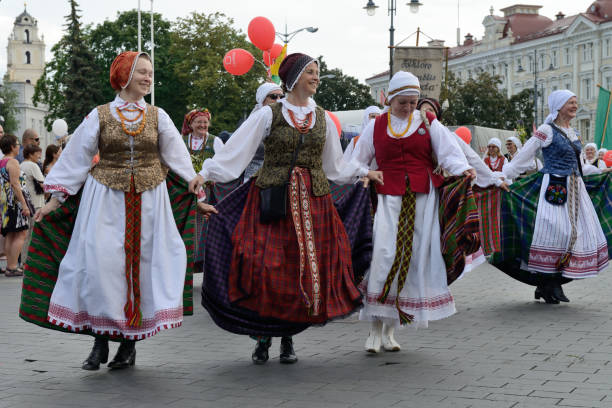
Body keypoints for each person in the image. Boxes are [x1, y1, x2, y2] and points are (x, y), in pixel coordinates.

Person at [20, 51, 209, 371]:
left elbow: (178, 158)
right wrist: (54, 201)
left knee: (140, 271)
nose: (148, 78)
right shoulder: (100, 116)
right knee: (101, 267)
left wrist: (195, 188)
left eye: (150, 73)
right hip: (105, 200)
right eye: (142, 73)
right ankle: (100, 340)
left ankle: (128, 346)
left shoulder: (158, 116)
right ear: (124, 76)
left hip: (150, 202)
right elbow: (76, 159)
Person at [190, 53, 382, 365]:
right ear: (293, 77)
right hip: (272, 201)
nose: (316, 77)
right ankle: (263, 338)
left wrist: (364, 173)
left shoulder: (321, 117)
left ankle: (288, 339)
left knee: (298, 273)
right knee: (265, 268)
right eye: (310, 72)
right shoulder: (268, 115)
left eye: (317, 72)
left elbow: (335, 165)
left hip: (314, 202)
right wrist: (206, 173)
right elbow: (237, 151)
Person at [350, 71, 475, 353]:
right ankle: (373, 328)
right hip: (387, 197)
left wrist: (463, 169)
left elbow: (450, 153)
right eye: (402, 103)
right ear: (390, 99)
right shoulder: (377, 125)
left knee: (414, 258)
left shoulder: (428, 123)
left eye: (413, 102)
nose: (408, 108)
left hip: (422, 199)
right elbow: (357, 160)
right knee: (383, 254)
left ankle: (391, 329)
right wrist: (365, 174)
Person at [497, 90, 609, 303]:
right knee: (556, 233)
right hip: (554, 187)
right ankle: (547, 283)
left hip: (576, 189)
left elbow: (581, 166)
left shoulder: (574, 133)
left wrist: (603, 172)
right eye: (570, 103)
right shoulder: (546, 130)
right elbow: (524, 157)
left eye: (576, 102)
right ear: (558, 106)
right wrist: (502, 177)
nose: (575, 106)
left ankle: (552, 283)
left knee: (575, 236)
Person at [0, 134, 32, 276]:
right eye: (18, 144)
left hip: (5, 202)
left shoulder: (2, 161)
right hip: (14, 202)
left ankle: (9, 265)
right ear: (12, 146)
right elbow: (15, 184)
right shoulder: (12, 162)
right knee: (21, 233)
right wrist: (24, 205)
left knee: (10, 234)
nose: (19, 146)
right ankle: (12, 266)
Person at [243, 82, 283, 182]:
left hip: (280, 180)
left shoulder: (287, 121)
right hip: (254, 179)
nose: (278, 100)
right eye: (273, 97)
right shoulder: (252, 122)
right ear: (262, 100)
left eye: (281, 97)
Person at [20, 144, 44, 264]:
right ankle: (29, 261)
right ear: (30, 154)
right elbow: (43, 183)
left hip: (26, 203)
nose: (39, 156)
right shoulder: (33, 166)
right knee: (34, 234)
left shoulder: (21, 165)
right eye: (37, 153)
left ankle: (24, 260)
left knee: (26, 234)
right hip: (36, 203)